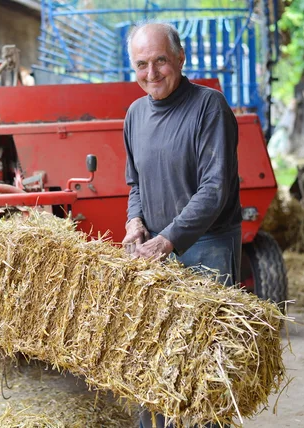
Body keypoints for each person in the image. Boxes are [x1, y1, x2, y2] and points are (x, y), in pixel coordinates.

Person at [121, 21, 242, 428]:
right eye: (141, 64)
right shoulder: (135, 114)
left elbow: (215, 188)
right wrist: (134, 219)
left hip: (206, 247)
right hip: (157, 251)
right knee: (153, 357)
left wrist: (168, 239)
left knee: (206, 367)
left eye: (160, 61)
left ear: (180, 58)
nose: (151, 73)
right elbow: (134, 181)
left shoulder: (210, 107)